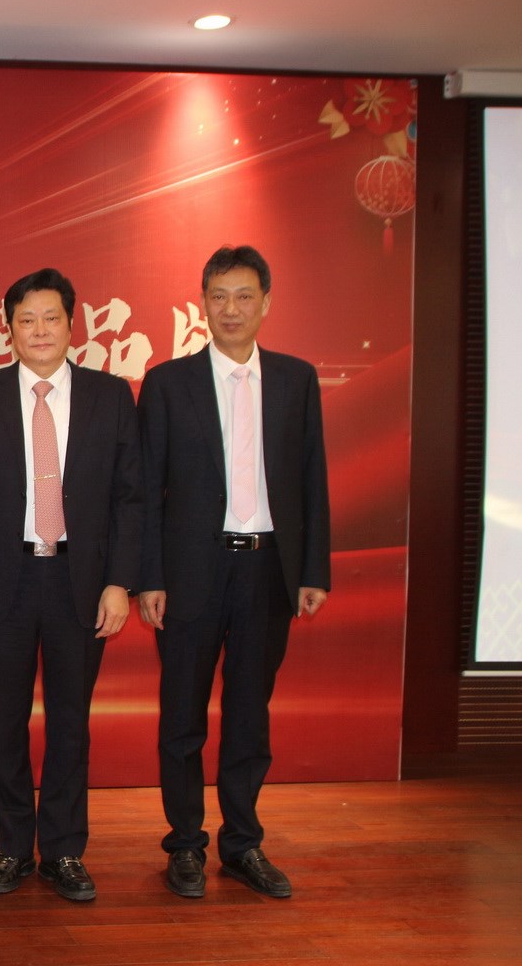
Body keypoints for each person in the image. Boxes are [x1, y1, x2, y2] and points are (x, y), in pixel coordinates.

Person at [136, 245, 330, 900]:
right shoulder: (168, 383)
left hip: (268, 569)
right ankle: (185, 844)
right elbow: (147, 490)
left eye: (245, 296)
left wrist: (312, 569)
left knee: (250, 713)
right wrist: (149, 577)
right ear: (202, 304)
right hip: (191, 571)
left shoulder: (297, 380)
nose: (231, 309)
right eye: (218, 297)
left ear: (266, 302)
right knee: (182, 716)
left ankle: (243, 843)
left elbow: (311, 479)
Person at [0, 268, 142, 903]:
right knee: (4, 722)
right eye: (25, 320)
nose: (39, 330)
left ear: (71, 324)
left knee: (70, 724)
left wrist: (121, 582)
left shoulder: (111, 396)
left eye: (51, 318)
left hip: (80, 582)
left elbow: (129, 498)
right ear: (8, 329)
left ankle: (62, 850)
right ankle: (11, 845)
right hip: (4, 579)